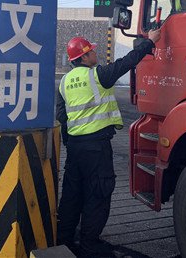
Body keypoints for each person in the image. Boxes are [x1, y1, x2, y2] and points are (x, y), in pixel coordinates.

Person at [56, 29, 161, 257]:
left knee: (72, 195)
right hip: (96, 147)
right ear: (84, 57)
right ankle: (89, 246)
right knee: (98, 194)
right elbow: (127, 62)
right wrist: (149, 41)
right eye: (91, 51)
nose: (95, 53)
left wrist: (70, 142)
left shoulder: (64, 81)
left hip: (75, 148)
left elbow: (62, 116)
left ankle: (63, 241)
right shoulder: (98, 75)